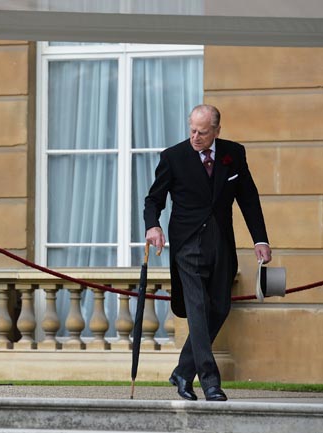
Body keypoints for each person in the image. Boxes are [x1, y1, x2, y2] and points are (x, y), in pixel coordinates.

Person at [143, 104, 271, 401]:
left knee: (220, 308)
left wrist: (260, 240)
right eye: (192, 129)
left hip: (221, 243)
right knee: (198, 309)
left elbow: (248, 199)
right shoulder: (172, 157)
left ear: (216, 131)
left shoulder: (233, 154)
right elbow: (154, 199)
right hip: (187, 245)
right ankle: (210, 381)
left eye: (202, 131)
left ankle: (183, 371)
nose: (195, 136)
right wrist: (153, 226)